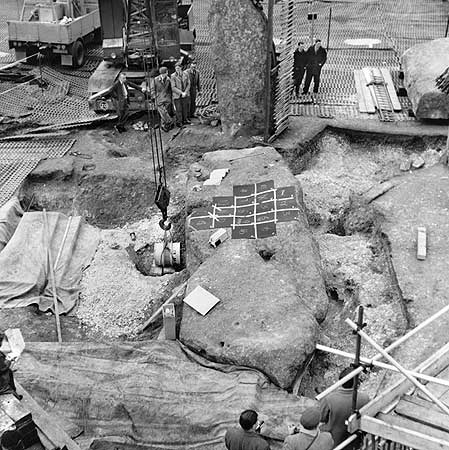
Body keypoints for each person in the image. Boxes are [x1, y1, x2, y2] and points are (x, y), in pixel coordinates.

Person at [319, 367, 370, 448]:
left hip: (333, 440)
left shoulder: (330, 398)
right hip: (354, 441)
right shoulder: (365, 398)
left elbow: (321, 418)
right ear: (356, 382)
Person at [154, 66, 174, 132]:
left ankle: (165, 125)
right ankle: (169, 121)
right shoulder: (156, 80)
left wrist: (170, 97)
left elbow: (171, 89)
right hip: (159, 98)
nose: (166, 74)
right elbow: (152, 89)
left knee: (165, 112)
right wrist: (154, 96)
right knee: (163, 112)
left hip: (167, 99)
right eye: (165, 73)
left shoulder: (168, 79)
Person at [170, 63, 191, 127]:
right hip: (177, 95)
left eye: (178, 68)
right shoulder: (173, 76)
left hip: (185, 94)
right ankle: (179, 122)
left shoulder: (186, 74)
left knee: (185, 108)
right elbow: (173, 87)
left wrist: (185, 92)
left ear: (181, 68)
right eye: (176, 68)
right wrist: (181, 93)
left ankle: (185, 119)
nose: (177, 70)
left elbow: (188, 84)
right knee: (178, 109)